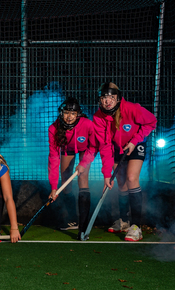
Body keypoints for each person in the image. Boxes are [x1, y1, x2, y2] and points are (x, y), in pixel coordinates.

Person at [93, 82, 157, 242]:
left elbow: (152, 122)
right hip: (116, 147)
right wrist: (106, 174)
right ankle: (124, 221)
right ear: (100, 100)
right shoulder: (98, 117)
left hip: (136, 143)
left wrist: (135, 141)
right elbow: (105, 146)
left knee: (131, 178)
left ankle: (136, 226)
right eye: (104, 98)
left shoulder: (131, 108)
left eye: (111, 98)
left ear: (118, 98)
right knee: (120, 183)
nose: (108, 101)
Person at [48, 97, 96, 240]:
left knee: (82, 177)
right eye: (66, 113)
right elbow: (53, 158)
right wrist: (53, 187)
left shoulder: (87, 124)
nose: (69, 117)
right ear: (61, 113)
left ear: (78, 114)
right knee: (65, 183)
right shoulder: (53, 128)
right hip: (67, 149)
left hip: (85, 150)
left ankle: (83, 227)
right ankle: (73, 220)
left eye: (73, 113)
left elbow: (94, 147)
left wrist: (84, 163)